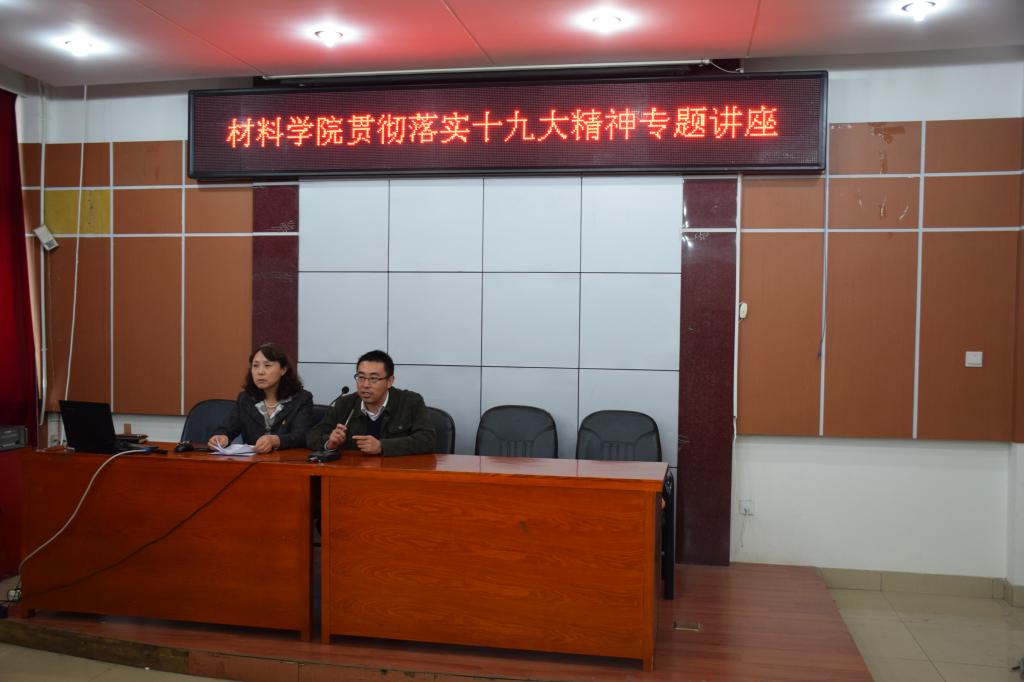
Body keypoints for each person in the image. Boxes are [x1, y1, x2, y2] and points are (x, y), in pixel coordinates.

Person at [307, 349, 435, 456]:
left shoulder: (410, 402)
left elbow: (427, 439)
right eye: (361, 377)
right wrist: (330, 443)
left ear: (389, 381)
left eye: (373, 378)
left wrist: (382, 446)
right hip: (355, 471)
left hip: (396, 472)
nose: (365, 385)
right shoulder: (345, 403)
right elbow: (312, 436)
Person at [209, 343, 315, 453]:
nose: (260, 372)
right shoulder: (246, 398)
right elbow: (227, 428)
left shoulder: (301, 399)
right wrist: (221, 437)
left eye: (267, 365)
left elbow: (302, 436)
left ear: (283, 370)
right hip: (252, 461)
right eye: (255, 366)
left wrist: (276, 440)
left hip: (287, 460)